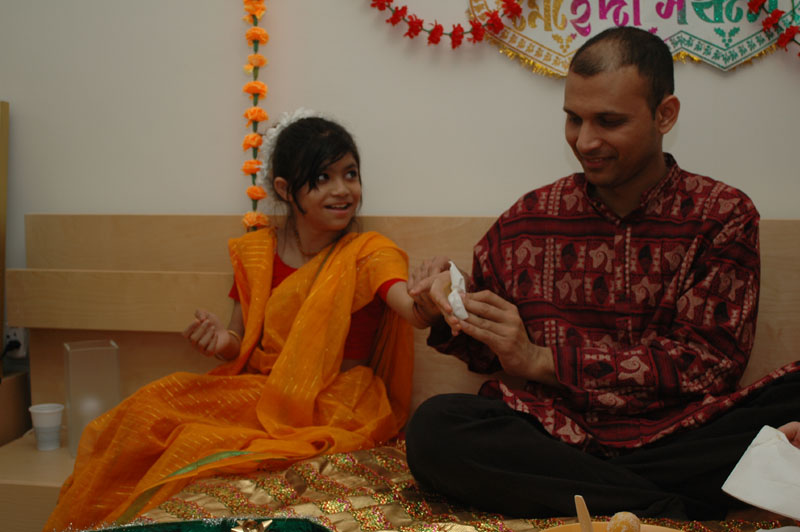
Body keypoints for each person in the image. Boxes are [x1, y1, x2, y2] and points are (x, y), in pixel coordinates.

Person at [404, 27, 800, 520]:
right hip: (555, 435)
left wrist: (543, 361)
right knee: (435, 427)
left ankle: (610, 494)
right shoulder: (529, 218)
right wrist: (445, 303)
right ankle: (665, 504)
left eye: (609, 121)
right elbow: (487, 350)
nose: (585, 141)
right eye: (574, 118)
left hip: (685, 436)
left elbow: (707, 366)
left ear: (665, 115)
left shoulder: (723, 215)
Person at [45, 111, 429, 531]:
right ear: (284, 189)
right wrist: (219, 340)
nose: (342, 190)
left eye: (350, 174)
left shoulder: (369, 252)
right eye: (322, 178)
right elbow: (240, 342)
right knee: (145, 410)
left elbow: (412, 310)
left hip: (339, 404)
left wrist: (433, 298)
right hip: (261, 391)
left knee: (194, 442)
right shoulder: (257, 254)